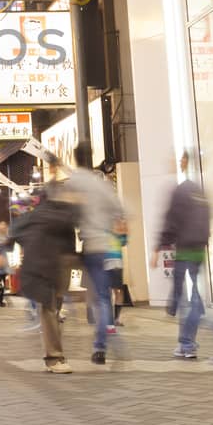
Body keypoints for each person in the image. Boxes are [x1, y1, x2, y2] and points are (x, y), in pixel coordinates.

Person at [154, 151, 213, 361]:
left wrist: (158, 247)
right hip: (198, 250)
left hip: (185, 250)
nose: (179, 162)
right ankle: (186, 343)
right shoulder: (201, 192)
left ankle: (193, 343)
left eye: (181, 159)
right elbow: (208, 220)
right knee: (192, 299)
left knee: (184, 301)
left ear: (186, 163)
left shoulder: (182, 190)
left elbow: (171, 220)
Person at [59, 147, 125, 365]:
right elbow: (120, 210)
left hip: (88, 246)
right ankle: (101, 345)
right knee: (104, 298)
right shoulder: (101, 183)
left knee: (94, 297)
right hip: (105, 246)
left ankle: (99, 341)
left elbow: (65, 212)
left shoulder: (74, 182)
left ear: (76, 159)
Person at [11, 184, 80, 374]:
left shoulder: (40, 215)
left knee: (54, 310)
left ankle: (56, 356)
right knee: (50, 310)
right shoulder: (55, 213)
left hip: (53, 267)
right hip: (46, 268)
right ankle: (54, 358)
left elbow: (15, 231)